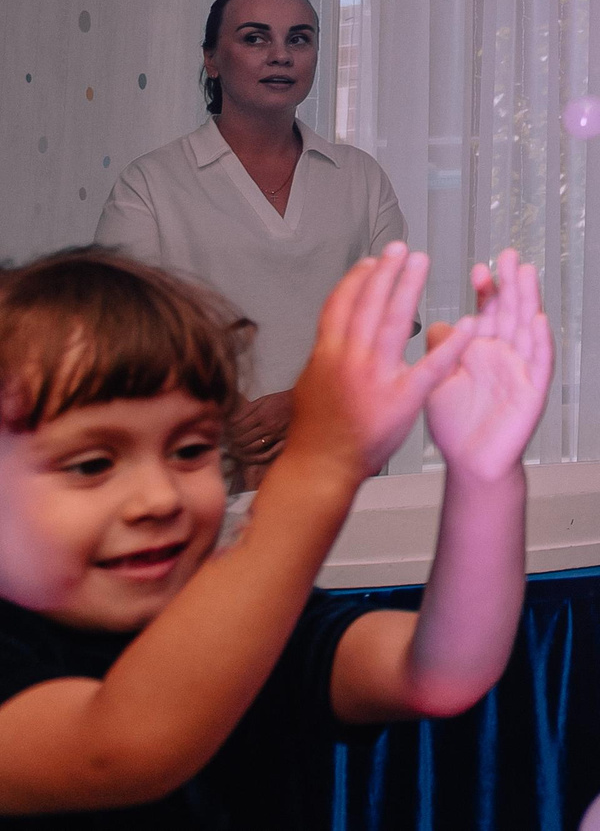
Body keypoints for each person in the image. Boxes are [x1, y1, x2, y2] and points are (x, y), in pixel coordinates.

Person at [0, 242, 549, 824]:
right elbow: (121, 750)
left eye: (189, 450)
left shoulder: (247, 613)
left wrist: (484, 478)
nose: (159, 498)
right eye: (92, 465)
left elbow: (443, 674)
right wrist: (321, 462)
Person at [97, 0, 406, 475]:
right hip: (201, 463)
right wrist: (223, 415)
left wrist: (302, 401)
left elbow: (390, 320)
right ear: (212, 59)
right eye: (254, 37)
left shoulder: (361, 177)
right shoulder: (149, 184)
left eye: (299, 38)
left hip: (341, 457)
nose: (280, 55)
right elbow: (125, 329)